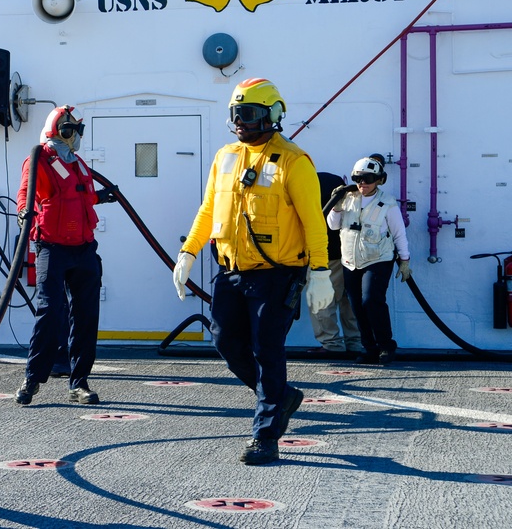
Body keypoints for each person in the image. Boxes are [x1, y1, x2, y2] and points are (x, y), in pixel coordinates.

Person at [171, 77, 334, 466]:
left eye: (250, 113)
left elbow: (314, 222)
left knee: (267, 351)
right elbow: (208, 210)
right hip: (230, 271)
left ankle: (266, 435)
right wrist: (188, 252)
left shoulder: (294, 162)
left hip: (276, 275)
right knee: (225, 342)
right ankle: (281, 398)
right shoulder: (225, 157)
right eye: (236, 114)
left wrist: (321, 270)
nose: (241, 121)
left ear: (273, 115)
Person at [13, 105, 115, 406]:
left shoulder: (78, 163)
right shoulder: (39, 158)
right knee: (50, 310)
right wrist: (23, 212)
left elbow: (79, 196)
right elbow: (25, 193)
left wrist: (101, 197)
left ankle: (79, 382)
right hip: (52, 248)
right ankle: (33, 378)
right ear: (61, 130)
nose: (77, 137)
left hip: (83, 248)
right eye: (73, 130)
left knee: (86, 316)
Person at [327, 154, 411, 366]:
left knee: (371, 300)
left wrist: (405, 260)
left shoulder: (388, 204)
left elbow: (399, 233)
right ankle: (370, 349)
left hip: (378, 259)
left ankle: (386, 345)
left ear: (379, 180)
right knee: (357, 306)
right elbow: (333, 225)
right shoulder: (346, 199)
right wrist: (336, 205)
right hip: (350, 261)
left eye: (368, 179)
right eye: (359, 179)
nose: (363, 184)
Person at [309, 172, 363, 354]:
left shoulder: (309, 183)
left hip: (324, 254)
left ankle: (332, 344)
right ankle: (356, 343)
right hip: (350, 253)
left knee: (322, 301)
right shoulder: (337, 183)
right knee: (350, 301)